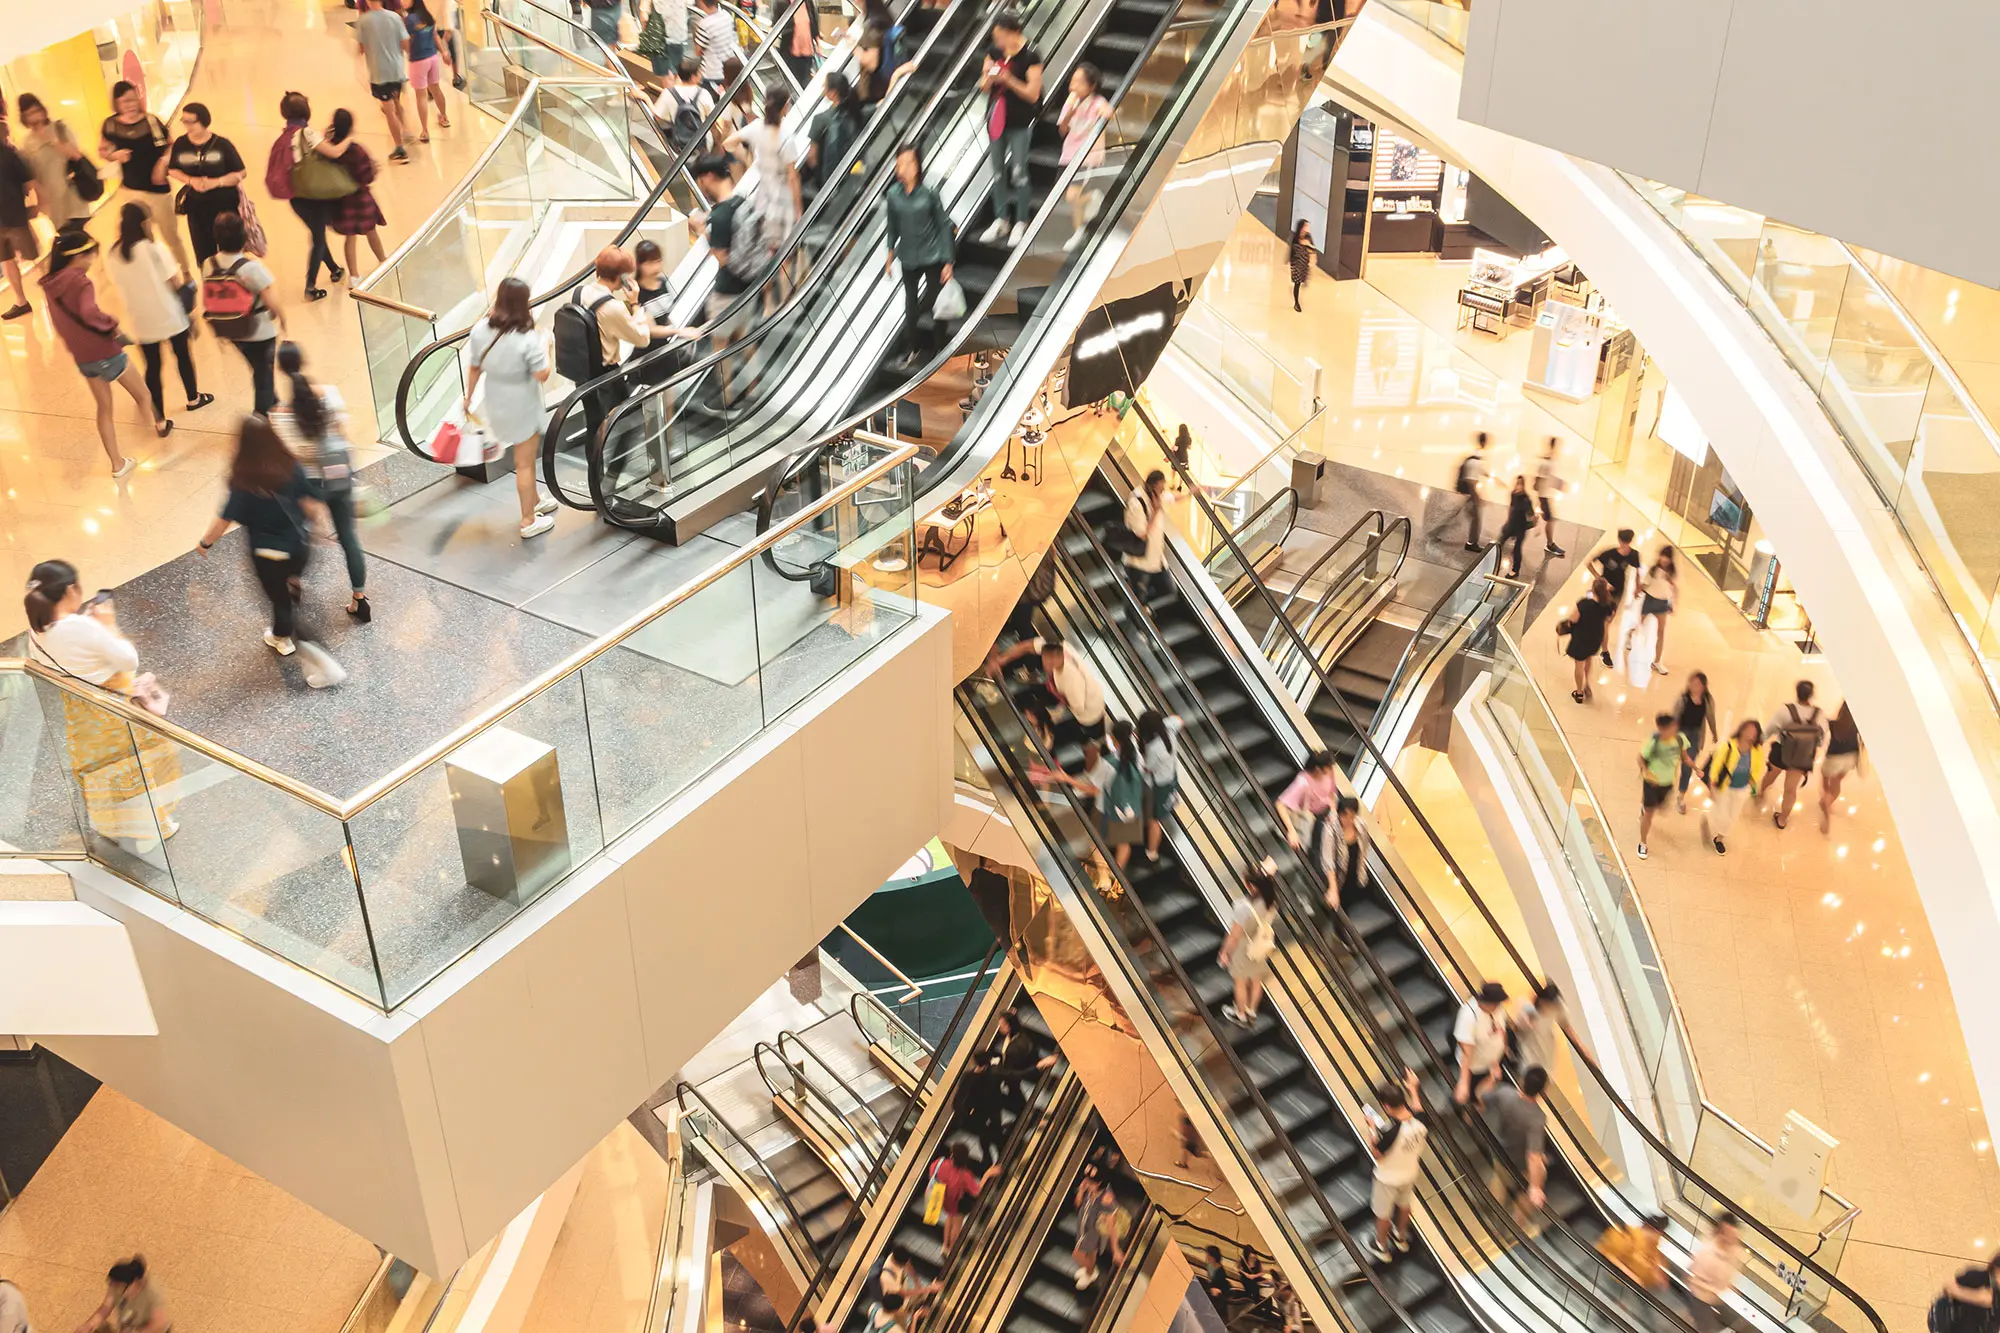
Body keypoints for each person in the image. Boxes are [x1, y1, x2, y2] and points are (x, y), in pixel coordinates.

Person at [25, 563, 182, 848]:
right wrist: (107, 624)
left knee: (103, 770)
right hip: (115, 710)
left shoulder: (37, 630)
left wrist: (89, 628)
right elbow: (128, 660)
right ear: (71, 590)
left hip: (83, 711)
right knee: (135, 765)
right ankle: (153, 829)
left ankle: (111, 823)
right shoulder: (83, 628)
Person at [43, 230, 170, 477]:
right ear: (78, 256)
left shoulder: (51, 284)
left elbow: (60, 322)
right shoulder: (81, 282)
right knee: (143, 395)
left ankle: (117, 464)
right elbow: (89, 312)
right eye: (91, 255)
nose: (93, 260)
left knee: (104, 409)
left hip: (83, 357)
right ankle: (155, 446)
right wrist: (111, 322)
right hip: (105, 351)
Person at [271, 343, 368, 620]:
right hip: (338, 474)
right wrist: (353, 475)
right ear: (304, 361)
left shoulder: (279, 414)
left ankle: (293, 581)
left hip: (307, 484)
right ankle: (359, 599)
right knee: (348, 536)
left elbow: (286, 457)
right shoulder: (330, 396)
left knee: (300, 536)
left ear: (280, 368)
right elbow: (344, 438)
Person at [464, 277, 560, 538]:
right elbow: (542, 374)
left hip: (497, 398)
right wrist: (547, 344)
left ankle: (535, 502)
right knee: (525, 463)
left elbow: (474, 367)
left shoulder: (480, 329)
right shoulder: (528, 338)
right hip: (522, 403)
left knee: (523, 459)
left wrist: (468, 397)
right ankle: (528, 520)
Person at [105, 202, 211, 423]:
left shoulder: (113, 254)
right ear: (144, 223)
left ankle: (159, 419)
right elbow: (173, 281)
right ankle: (193, 398)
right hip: (169, 314)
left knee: (153, 367)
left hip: (140, 319)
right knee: (182, 356)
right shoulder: (154, 249)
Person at [203, 211, 286, 413]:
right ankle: (261, 419)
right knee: (263, 375)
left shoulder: (209, 264)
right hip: (259, 330)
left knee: (259, 369)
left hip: (232, 329)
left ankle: (273, 402)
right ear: (244, 237)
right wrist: (281, 318)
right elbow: (269, 298)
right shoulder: (251, 268)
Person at [100, 83, 188, 273]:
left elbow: (172, 145)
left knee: (171, 237)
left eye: (133, 99)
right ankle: (157, 275)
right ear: (116, 103)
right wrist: (115, 155)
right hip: (130, 191)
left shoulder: (152, 121)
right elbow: (103, 150)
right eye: (124, 101)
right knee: (141, 239)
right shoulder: (111, 124)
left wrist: (163, 162)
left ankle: (185, 273)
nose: (130, 105)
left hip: (158, 192)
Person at [882, 142, 954, 370]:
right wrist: (890, 254)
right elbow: (892, 226)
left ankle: (940, 346)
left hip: (932, 256)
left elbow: (944, 226)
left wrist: (948, 261)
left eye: (905, 163)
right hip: (909, 258)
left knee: (936, 303)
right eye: (898, 163)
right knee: (910, 305)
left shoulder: (929, 194)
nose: (900, 168)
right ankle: (911, 348)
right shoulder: (893, 196)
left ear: (916, 166)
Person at [722, 89, 800, 298]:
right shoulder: (786, 136)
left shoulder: (757, 126)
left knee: (758, 249)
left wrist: (746, 157)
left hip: (750, 192)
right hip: (774, 198)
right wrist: (798, 209)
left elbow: (728, 143)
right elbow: (792, 176)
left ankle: (763, 301)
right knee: (780, 249)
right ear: (784, 107)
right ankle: (782, 297)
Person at [270, 92, 346, 299]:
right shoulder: (308, 134)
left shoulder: (285, 136)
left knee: (317, 232)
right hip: (314, 193)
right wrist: (348, 141)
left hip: (295, 196)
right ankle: (310, 288)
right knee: (318, 239)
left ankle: (334, 269)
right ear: (306, 110)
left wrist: (321, 137)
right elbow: (334, 153)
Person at [977, 12, 1042, 248]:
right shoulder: (994, 53)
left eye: (1000, 36)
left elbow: (1033, 94)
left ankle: (1021, 219)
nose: (997, 42)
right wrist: (990, 78)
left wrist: (1008, 79)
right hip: (996, 119)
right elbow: (983, 86)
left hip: (1019, 121)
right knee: (997, 173)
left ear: (1013, 33)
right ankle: (1001, 217)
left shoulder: (1030, 57)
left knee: (1019, 172)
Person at [990, 633, 1109, 750]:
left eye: (1051, 662)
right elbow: (1025, 646)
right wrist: (1000, 661)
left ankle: (1099, 743)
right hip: (1086, 695)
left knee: (1081, 734)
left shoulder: (1070, 679)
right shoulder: (1057, 645)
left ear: (1057, 656)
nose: (1046, 665)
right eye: (1044, 659)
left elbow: (1077, 706)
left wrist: (1053, 707)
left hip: (1089, 713)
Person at [165, 103, 246, 267]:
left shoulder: (222, 144)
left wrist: (216, 183)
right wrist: (190, 180)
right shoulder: (181, 144)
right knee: (204, 255)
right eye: (184, 121)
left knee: (229, 251)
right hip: (197, 208)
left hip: (224, 206)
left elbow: (241, 172)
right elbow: (172, 169)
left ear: (203, 121)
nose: (187, 126)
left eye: (191, 121)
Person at [322, 109, 390, 282]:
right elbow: (366, 176)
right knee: (371, 231)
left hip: (341, 201)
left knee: (350, 238)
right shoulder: (356, 150)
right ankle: (384, 261)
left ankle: (354, 275)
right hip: (360, 198)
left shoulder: (329, 148)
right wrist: (374, 169)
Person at [1367, 1069, 1427, 1263]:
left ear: (1385, 1106)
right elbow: (1417, 1107)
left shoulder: (1390, 1132)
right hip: (1409, 1173)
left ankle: (1381, 1246)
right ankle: (1401, 1237)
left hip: (1388, 1179)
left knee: (1383, 1213)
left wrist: (1371, 1128)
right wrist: (1413, 1089)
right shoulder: (1420, 1120)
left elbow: (1378, 1155)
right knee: (1404, 1204)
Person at [1483, 1066, 1548, 1231]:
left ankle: (1493, 1215)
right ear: (1542, 1091)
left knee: (1499, 1179)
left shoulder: (1505, 1093)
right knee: (1540, 1175)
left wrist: (1492, 1078)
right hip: (1520, 1160)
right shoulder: (1537, 1117)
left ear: (1521, 1080)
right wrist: (1535, 1187)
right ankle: (1518, 1224)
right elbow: (1533, 1156)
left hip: (1501, 1149)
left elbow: (1483, 1096)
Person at [15, 94, 90, 234]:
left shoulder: (60, 128)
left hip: (73, 194)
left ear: (43, 110)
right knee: (66, 239)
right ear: (24, 118)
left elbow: (76, 155)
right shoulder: (27, 143)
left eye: (36, 111)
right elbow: (31, 176)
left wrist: (53, 140)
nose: (34, 117)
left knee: (82, 238)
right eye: (28, 114)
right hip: (54, 202)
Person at [1058, 64, 1111, 253]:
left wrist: (1100, 114)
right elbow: (1062, 130)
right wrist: (1070, 112)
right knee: (1069, 198)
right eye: (1073, 81)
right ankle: (1081, 227)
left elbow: (1108, 113)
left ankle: (1080, 230)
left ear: (1091, 86)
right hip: (1069, 154)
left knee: (1073, 196)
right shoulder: (1070, 102)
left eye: (1079, 82)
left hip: (1087, 157)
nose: (1073, 85)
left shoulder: (1097, 101)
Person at [1760, 680, 1826, 832]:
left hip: (1781, 751)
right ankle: (1782, 819)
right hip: (1802, 757)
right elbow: (1822, 739)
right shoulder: (1819, 714)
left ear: (1796, 692)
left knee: (1771, 774)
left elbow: (1770, 728)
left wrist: (1760, 741)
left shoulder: (1786, 710)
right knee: (1790, 789)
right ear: (1811, 695)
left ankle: (1761, 792)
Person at [355, 0, 415, 164]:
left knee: (388, 110)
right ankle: (406, 128)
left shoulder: (364, 21)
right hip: (396, 69)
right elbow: (405, 43)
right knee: (396, 100)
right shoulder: (394, 18)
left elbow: (361, 48)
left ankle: (400, 148)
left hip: (379, 72)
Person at [1218, 866, 1279, 1025]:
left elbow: (1234, 936)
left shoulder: (1244, 907)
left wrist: (1225, 953)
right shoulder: (1270, 901)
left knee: (1240, 982)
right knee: (1256, 979)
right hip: (1260, 945)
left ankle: (1240, 1014)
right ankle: (1251, 1010)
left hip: (1244, 946)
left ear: (1252, 886)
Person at [1698, 719, 1763, 856]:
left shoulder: (1757, 751)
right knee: (1722, 813)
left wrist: (1752, 783)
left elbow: (1757, 768)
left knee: (1732, 816)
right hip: (1725, 787)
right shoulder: (1729, 746)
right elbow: (1716, 765)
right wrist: (1712, 784)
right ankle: (1711, 819)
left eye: (1754, 732)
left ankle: (1719, 838)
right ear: (1742, 730)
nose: (1751, 734)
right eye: (1748, 730)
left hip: (1742, 788)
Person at [0, 122, 39, 319]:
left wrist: (35, 205)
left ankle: (55, 291)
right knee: (6, 260)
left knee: (33, 256)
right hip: (6, 219)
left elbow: (29, 182)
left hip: (15, 216)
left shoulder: (10, 155)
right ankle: (21, 301)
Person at [802, 73, 861, 202]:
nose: (823, 87)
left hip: (831, 181)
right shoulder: (855, 111)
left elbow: (812, 158)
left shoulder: (820, 119)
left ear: (832, 93)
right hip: (855, 174)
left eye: (825, 85)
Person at [930, 1141, 998, 1252]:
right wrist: (988, 1174)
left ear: (952, 1155)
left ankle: (945, 1245)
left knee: (949, 1217)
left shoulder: (941, 1163)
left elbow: (932, 1171)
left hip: (944, 1197)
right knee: (957, 1223)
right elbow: (976, 1192)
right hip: (958, 1202)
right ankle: (951, 1248)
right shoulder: (965, 1175)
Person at [1636, 711, 1686, 859]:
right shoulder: (1654, 740)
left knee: (1660, 808)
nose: (1674, 729)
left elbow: (1683, 755)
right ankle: (1643, 843)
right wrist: (1646, 772)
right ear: (1662, 729)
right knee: (1649, 814)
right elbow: (1640, 757)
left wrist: (1694, 768)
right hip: (1652, 783)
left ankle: (1645, 806)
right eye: (1671, 727)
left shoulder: (1679, 739)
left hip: (1668, 783)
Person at [1684, 1213, 1746, 1333]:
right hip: (1701, 1295)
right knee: (1706, 1327)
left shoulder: (1733, 1250)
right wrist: (1714, 1288)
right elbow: (1694, 1278)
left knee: (1738, 1322)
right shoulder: (1708, 1251)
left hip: (1715, 1296)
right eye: (1727, 1233)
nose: (1731, 1238)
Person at [74, 1257, 172, 1333]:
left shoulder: (152, 1293)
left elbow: (158, 1322)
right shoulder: (116, 1286)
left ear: (134, 1283)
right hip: (128, 1326)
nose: (114, 1290)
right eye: (112, 1285)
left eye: (117, 1287)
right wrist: (89, 1325)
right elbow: (105, 1308)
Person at [1558, 577, 1614, 703]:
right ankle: (1587, 684)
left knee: (1579, 664)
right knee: (1588, 659)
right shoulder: (1607, 605)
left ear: (1593, 590)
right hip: (1595, 638)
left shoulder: (1584, 604)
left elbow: (1573, 620)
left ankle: (1579, 692)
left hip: (1581, 639)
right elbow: (1609, 619)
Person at [1072, 1164, 1127, 1290]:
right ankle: (1089, 1270)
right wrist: (1081, 1191)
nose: (1086, 1183)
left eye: (1090, 1182)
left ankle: (1090, 1273)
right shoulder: (1088, 1191)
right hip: (1084, 1226)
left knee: (1077, 1254)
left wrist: (1115, 1249)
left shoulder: (1106, 1200)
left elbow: (1111, 1225)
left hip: (1093, 1233)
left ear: (1098, 1183)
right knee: (1091, 1253)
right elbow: (1077, 1205)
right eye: (1085, 1179)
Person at [1591, 528, 1642, 665]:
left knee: (1607, 621)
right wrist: (1601, 580)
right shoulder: (1609, 554)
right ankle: (1604, 651)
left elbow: (1637, 570)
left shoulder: (1634, 555)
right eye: (1623, 542)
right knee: (1605, 622)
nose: (1624, 545)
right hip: (1603, 592)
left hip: (1618, 591)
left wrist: (1637, 587)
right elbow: (1589, 563)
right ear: (1619, 540)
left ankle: (1599, 640)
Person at [1276, 750, 1338, 860]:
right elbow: (1280, 804)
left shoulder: (1330, 772)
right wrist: (1291, 831)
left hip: (1328, 817)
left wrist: (1333, 811)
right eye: (1326, 771)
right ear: (1318, 769)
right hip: (1312, 820)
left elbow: (1332, 793)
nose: (1329, 773)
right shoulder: (1303, 782)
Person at [1137, 708, 1181, 862]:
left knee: (1154, 820)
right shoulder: (1169, 729)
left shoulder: (1154, 748)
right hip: (1171, 774)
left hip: (1160, 784)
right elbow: (1178, 719)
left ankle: (1152, 852)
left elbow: (1148, 768)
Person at [405, 0, 454, 141]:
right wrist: (444, 52)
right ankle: (444, 117)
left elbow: (405, 41)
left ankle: (425, 131)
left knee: (421, 96)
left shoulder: (409, 20)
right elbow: (434, 36)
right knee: (436, 89)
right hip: (432, 57)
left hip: (418, 60)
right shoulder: (428, 16)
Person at [1452, 980, 1507, 1106]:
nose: (1499, 1006)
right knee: (1476, 1100)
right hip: (1475, 1068)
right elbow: (1466, 1052)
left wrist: (1496, 1061)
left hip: (1491, 1063)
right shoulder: (1468, 1016)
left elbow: (1501, 1030)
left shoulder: (1497, 1010)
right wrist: (1464, 1083)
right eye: (1496, 1003)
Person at [1120, 468, 1170, 600]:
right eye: (1160, 489)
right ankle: (1136, 613)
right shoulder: (1137, 503)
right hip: (1139, 562)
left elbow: (1171, 497)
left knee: (1168, 589)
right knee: (1138, 597)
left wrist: (1190, 494)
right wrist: (1155, 511)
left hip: (1155, 559)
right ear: (1151, 486)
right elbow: (1142, 534)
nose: (1163, 492)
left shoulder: (1155, 497)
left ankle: (1145, 608)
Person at [1673, 671, 1719, 813]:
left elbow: (1710, 718)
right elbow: (1674, 718)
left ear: (1704, 686)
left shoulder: (1707, 700)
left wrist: (1714, 732)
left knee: (1687, 767)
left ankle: (1680, 797)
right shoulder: (1683, 699)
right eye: (1692, 683)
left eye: (1698, 684)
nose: (1695, 686)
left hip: (1695, 736)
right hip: (1681, 734)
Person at [1597, 1215, 1669, 1302]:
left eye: (1659, 1232)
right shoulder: (1627, 1234)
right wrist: (1634, 1278)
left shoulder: (1656, 1251)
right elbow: (1605, 1253)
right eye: (1657, 1231)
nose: (1657, 1235)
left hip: (1628, 1288)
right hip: (1611, 1277)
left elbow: (1659, 1282)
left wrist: (1657, 1275)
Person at [1628, 546, 1677, 674]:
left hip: (1662, 603)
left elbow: (1673, 588)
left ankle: (1657, 661)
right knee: (1640, 622)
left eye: (1667, 558)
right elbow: (1646, 584)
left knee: (1661, 632)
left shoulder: (1672, 572)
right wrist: (1638, 590)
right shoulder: (1653, 570)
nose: (1664, 560)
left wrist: (1671, 603)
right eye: (1663, 557)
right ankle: (1629, 635)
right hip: (1650, 600)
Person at [953, 1049, 1007, 1163]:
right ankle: (1001, 1148)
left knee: (984, 1135)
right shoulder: (987, 1077)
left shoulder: (967, 1076)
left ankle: (988, 1158)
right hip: (988, 1108)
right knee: (994, 1128)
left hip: (975, 1112)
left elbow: (961, 1094)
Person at [652, 59, 715, 152]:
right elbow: (714, 118)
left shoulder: (668, 93)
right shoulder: (704, 93)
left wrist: (646, 99)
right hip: (702, 142)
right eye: (699, 73)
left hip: (679, 141)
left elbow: (656, 116)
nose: (701, 75)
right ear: (693, 77)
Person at [1818, 702, 1861, 835]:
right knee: (1836, 782)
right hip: (1849, 759)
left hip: (1833, 759)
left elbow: (1820, 734)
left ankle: (1826, 803)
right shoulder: (1859, 725)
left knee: (1825, 778)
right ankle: (1829, 801)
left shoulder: (1834, 723)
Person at [1929, 1252, 1998, 1333]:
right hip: (1954, 1326)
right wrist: (1976, 1297)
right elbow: (1949, 1287)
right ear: (1996, 1269)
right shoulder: (1979, 1276)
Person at [1508, 982, 1565, 1078]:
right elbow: (1517, 1027)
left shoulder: (1548, 1017)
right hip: (1524, 1055)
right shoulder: (1528, 1009)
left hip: (1535, 1057)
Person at [1322, 794, 1366, 913]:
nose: (1349, 820)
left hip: (1354, 875)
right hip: (1338, 877)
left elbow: (1363, 848)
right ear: (1340, 813)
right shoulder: (1331, 829)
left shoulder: (1361, 826)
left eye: (1352, 816)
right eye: (1345, 815)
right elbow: (1328, 860)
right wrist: (1333, 888)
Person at [693, 0, 740, 94]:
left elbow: (698, 52)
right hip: (727, 71)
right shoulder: (726, 16)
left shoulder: (704, 24)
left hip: (711, 73)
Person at [1495, 474, 1535, 578]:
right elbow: (1511, 507)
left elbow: (1531, 514)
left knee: (1517, 548)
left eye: (1521, 484)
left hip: (1521, 526)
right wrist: (1508, 521)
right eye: (1517, 484)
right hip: (1512, 523)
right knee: (1500, 542)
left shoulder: (1526, 499)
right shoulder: (1514, 494)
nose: (1518, 486)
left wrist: (1535, 520)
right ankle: (1493, 561)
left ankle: (1515, 570)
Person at [1454, 431, 1489, 551]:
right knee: (1476, 518)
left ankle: (1435, 532)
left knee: (1456, 516)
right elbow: (1471, 481)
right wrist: (1477, 498)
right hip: (1471, 493)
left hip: (1469, 493)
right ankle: (1471, 543)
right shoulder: (1476, 460)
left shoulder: (1476, 455)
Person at [1532, 437, 1567, 557]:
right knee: (1550, 519)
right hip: (1543, 495)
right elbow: (1540, 479)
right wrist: (1559, 484)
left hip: (1546, 495)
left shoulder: (1550, 460)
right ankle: (1550, 544)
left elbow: (1547, 478)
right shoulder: (1547, 462)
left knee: (1549, 518)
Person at [640, 0, 689, 77]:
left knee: (666, 76)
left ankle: (671, 88)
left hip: (659, 39)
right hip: (679, 36)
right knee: (676, 74)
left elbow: (644, 15)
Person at [782, 0, 819, 85]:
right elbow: (777, 22)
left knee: (805, 80)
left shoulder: (808, 3)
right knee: (795, 80)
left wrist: (818, 44)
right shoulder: (784, 3)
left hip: (807, 50)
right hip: (792, 51)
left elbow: (814, 24)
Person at [1288, 218, 1315, 312]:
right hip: (1297, 264)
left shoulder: (1308, 237)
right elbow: (1292, 251)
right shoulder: (1295, 237)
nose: (1307, 228)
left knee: (1303, 280)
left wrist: (1308, 245)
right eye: (1305, 226)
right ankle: (1296, 302)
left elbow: (1312, 249)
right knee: (1297, 283)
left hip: (1304, 263)